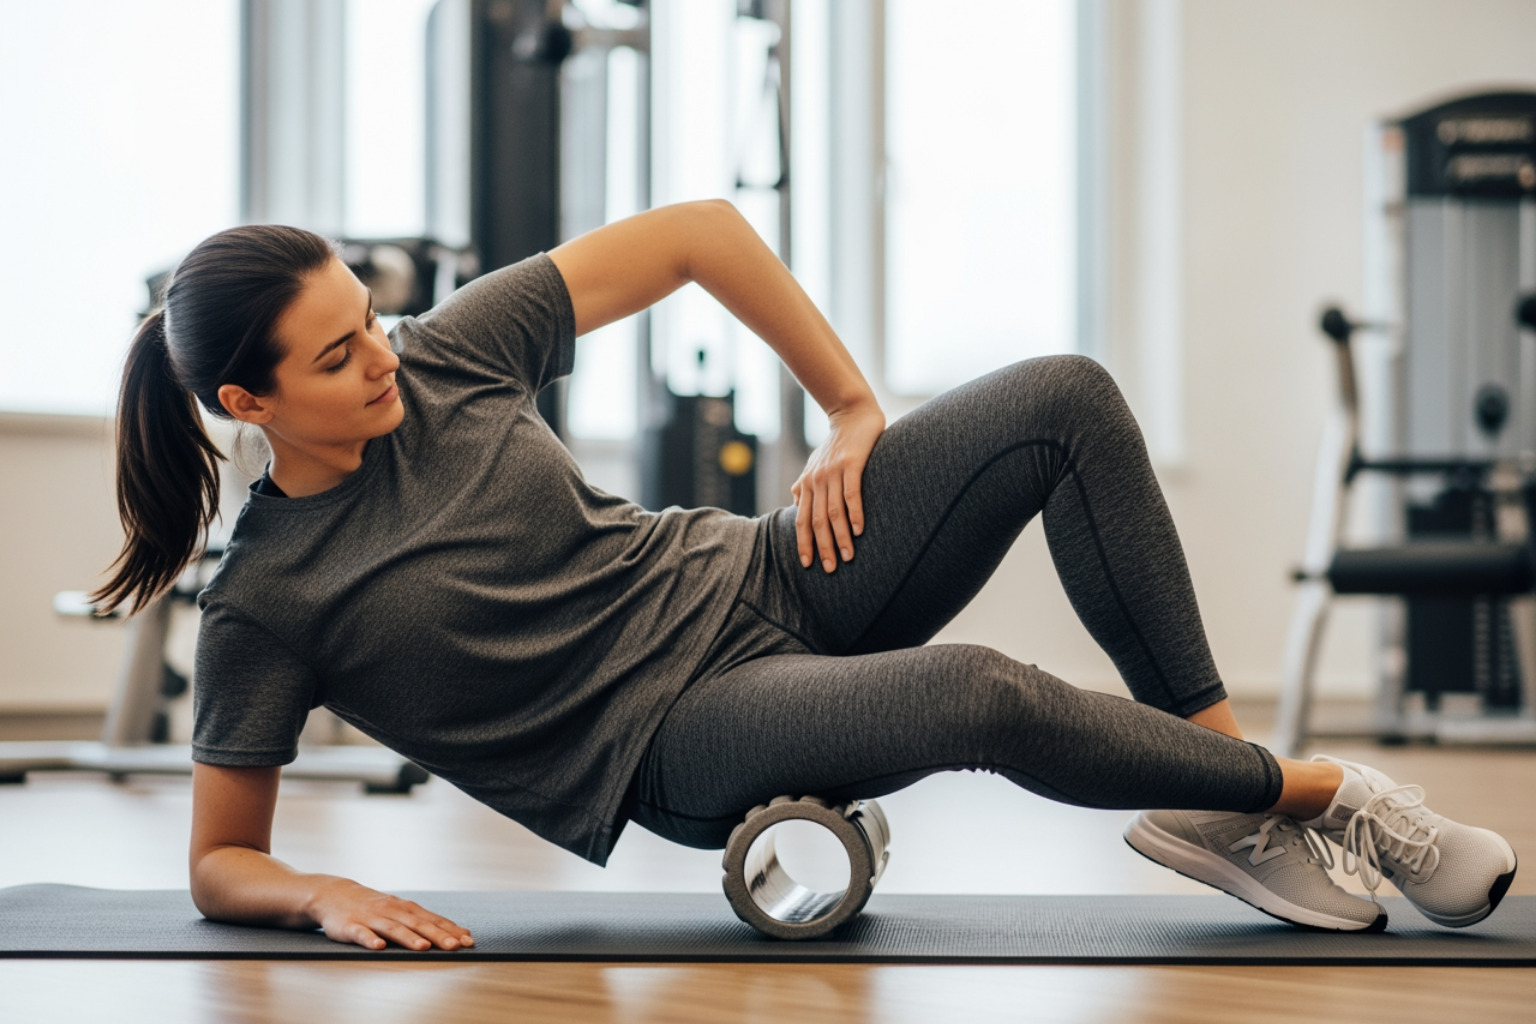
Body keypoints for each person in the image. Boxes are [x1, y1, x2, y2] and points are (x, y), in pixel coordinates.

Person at [93, 202, 1516, 952]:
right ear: (245, 399)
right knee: (975, 692)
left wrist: (849, 408)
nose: (381, 355)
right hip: (672, 740)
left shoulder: (447, 352)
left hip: (770, 575)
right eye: (337, 355)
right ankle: (1327, 794)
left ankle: (1225, 799)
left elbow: (702, 231)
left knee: (1062, 400)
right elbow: (222, 859)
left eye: (369, 320)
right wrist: (317, 897)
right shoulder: (269, 599)